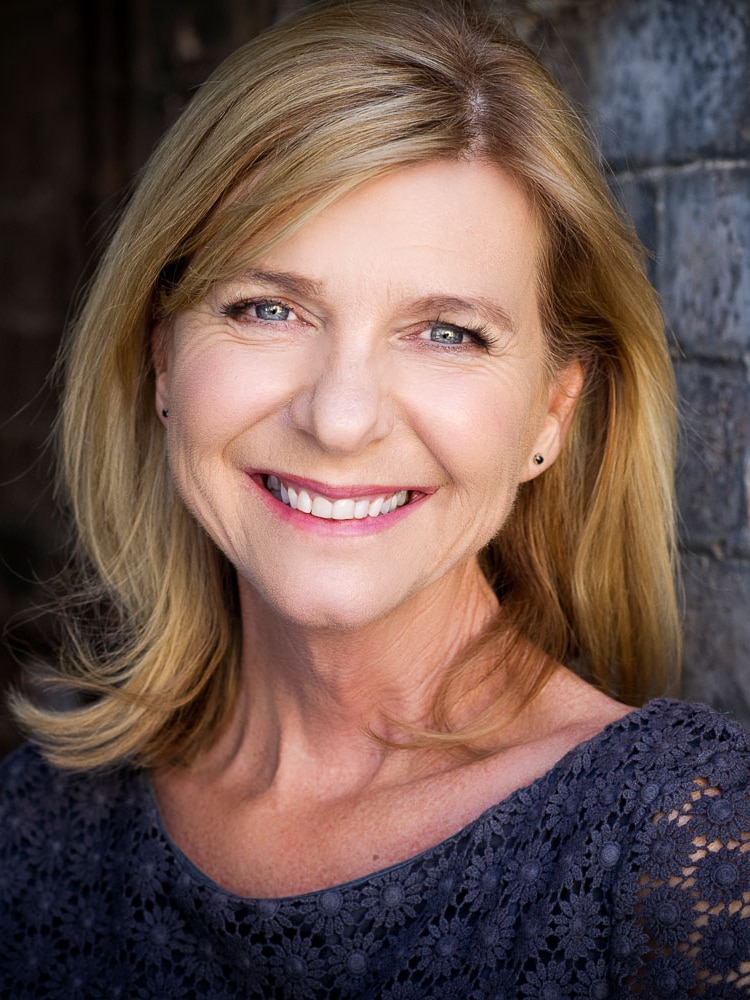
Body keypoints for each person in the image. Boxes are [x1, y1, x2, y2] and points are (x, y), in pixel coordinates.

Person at [2, 0, 749, 995]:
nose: (342, 418)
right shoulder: (38, 822)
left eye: (447, 331)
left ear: (552, 413)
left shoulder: (690, 847)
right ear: (162, 360)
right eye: (267, 308)